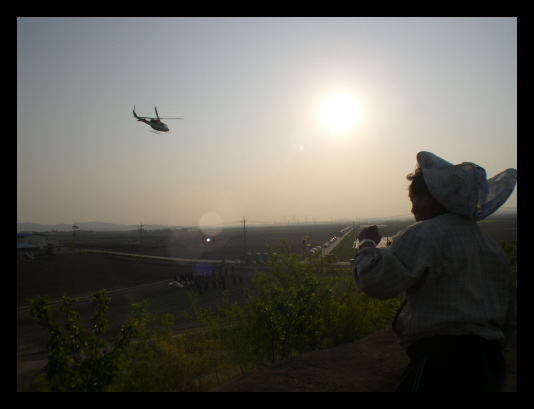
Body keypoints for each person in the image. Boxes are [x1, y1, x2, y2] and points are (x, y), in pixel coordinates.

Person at [353, 151, 517, 392]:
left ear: (430, 198)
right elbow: (510, 317)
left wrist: (366, 244)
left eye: (413, 200)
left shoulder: (423, 234)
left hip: (443, 364)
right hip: (492, 365)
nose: (412, 210)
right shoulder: (492, 248)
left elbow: (376, 281)